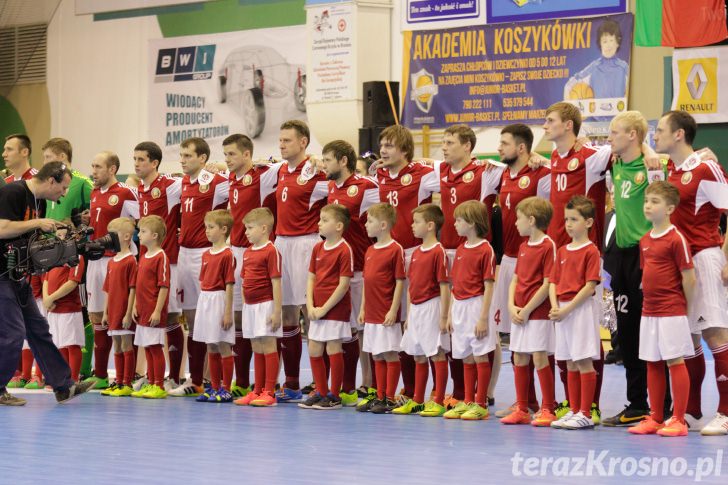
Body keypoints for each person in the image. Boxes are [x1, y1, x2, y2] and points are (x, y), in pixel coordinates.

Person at [655, 110, 728, 435]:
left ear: (679, 134)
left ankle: (726, 412)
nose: (654, 135)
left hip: (705, 258)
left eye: (659, 130)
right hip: (678, 264)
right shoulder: (671, 169)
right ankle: (692, 409)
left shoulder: (706, 167)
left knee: (715, 334)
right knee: (688, 338)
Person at [0, 161, 94, 406]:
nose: (63, 194)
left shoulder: (39, 201)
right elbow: (2, 228)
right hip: (1, 276)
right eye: (62, 188)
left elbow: (27, 237)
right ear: (51, 180)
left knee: (39, 329)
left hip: (18, 274)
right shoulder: (14, 192)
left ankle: (63, 386)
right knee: (13, 333)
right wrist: (37, 224)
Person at [601, 111, 668, 427]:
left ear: (632, 136)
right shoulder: (614, 165)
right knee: (626, 335)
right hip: (622, 259)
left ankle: (665, 406)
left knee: (652, 334)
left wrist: (651, 150)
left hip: (648, 259)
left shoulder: (652, 167)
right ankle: (637, 403)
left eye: (614, 132)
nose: (609, 137)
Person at [372, 125, 440, 405]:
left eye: (389, 145)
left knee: (421, 325)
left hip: (416, 255)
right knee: (398, 324)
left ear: (405, 150)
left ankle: (434, 391)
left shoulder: (423, 174)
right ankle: (408, 388)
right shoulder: (377, 174)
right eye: (382, 145)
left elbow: (452, 170)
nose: (383, 150)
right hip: (389, 257)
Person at [492, 124, 550, 419]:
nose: (499, 148)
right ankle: (524, 402)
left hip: (534, 259)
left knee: (536, 340)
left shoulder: (541, 174)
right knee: (515, 338)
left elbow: (564, 179)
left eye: (504, 143)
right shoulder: (501, 173)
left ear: (522, 148)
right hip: (510, 261)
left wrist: (546, 161)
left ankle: (546, 405)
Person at [628, 181, 695, 437]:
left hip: (672, 310)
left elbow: (689, 277)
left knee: (674, 361)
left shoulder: (676, 238)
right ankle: (656, 416)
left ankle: (678, 419)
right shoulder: (644, 240)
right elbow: (647, 276)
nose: (648, 205)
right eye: (647, 200)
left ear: (669, 208)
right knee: (652, 362)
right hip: (649, 311)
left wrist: (684, 309)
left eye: (654, 202)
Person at [169, 138, 229, 398]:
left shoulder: (216, 183)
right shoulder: (179, 183)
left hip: (207, 253)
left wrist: (223, 168)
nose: (182, 160)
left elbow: (244, 182)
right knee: (191, 319)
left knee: (209, 317)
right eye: (181, 155)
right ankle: (196, 380)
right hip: (184, 254)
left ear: (203, 158)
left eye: (188, 156)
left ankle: (212, 379)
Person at [273, 120, 329, 402]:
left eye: (287, 140)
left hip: (307, 242)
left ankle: (323, 384)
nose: (282, 145)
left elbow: (343, 185)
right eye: (280, 140)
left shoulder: (317, 172)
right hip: (282, 242)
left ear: (303, 142)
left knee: (313, 312)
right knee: (286, 314)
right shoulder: (280, 169)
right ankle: (292, 382)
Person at [322, 140, 379, 405]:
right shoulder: (331, 187)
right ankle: (349, 385)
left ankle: (371, 385)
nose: (324, 165)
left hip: (362, 268)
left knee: (366, 328)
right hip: (342, 271)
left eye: (328, 160)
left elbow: (385, 218)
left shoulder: (367, 187)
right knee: (349, 331)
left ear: (343, 161)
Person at [223, 133, 279, 398]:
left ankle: (272, 386)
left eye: (232, 154)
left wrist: (269, 159)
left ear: (247, 154)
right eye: (225, 155)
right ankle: (246, 383)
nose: (227, 160)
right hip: (238, 251)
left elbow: (284, 166)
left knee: (265, 335)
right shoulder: (229, 179)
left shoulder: (262, 176)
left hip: (257, 251)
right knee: (242, 324)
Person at [84, 151, 139, 390]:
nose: (93, 171)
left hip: (116, 261)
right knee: (97, 316)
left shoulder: (126, 193)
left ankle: (129, 375)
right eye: (92, 166)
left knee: (120, 317)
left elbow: (144, 222)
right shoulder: (95, 192)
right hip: (95, 261)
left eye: (98, 166)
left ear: (112, 169)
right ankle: (101, 374)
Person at [501, 197, 557, 426]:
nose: (515, 223)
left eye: (519, 219)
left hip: (538, 313)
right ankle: (522, 407)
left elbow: (547, 283)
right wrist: (511, 306)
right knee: (519, 356)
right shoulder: (523, 247)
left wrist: (526, 309)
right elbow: (515, 279)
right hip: (520, 313)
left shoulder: (547, 245)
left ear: (532, 220)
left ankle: (548, 408)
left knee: (539, 356)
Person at [134, 141, 185, 390]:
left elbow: (196, 182)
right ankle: (152, 375)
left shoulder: (170, 186)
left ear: (154, 163)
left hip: (170, 262)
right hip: (147, 262)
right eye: (134, 159)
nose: (136, 163)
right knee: (148, 319)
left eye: (141, 159)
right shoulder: (140, 190)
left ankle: (174, 376)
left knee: (171, 316)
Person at [548, 196, 602, 430]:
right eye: (566, 219)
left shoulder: (591, 251)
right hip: (562, 311)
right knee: (569, 361)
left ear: (589, 222)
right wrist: (555, 306)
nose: (568, 224)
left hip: (579, 311)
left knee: (583, 360)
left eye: (574, 219)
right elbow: (553, 282)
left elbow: (590, 286)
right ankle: (573, 409)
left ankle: (586, 412)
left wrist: (567, 308)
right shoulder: (561, 250)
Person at [395, 204, 451, 417]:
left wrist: (444, 316)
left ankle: (437, 400)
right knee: (418, 355)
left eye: (416, 222)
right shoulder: (416, 253)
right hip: (416, 310)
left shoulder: (438, 251)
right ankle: (417, 400)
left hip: (432, 306)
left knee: (436, 354)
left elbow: (445, 286)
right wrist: (409, 314)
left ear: (430, 225)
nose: (412, 226)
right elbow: (411, 286)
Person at [443, 200, 496, 421]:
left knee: (480, 355)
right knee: (465, 356)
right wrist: (450, 313)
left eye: (459, 220)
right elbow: (455, 284)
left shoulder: (486, 249)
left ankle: (481, 403)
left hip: (476, 305)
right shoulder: (462, 249)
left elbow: (489, 285)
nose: (454, 224)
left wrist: (483, 318)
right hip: (461, 306)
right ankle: (467, 400)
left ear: (472, 223)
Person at [299, 204, 354, 410]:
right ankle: (321, 392)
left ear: (338, 226)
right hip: (317, 308)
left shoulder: (344, 249)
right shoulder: (317, 248)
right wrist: (311, 305)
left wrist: (325, 308)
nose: (319, 223)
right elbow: (311, 278)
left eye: (324, 220)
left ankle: (334, 395)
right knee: (314, 348)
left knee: (333, 347)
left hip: (335, 309)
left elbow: (343, 284)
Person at [357, 203, 406, 414]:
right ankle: (379, 395)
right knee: (376, 354)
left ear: (383, 225)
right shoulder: (369, 250)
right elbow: (367, 282)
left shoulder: (396, 249)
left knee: (389, 354)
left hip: (386, 311)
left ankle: (389, 397)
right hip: (371, 312)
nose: (366, 225)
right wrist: (362, 308)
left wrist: (394, 309)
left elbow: (400, 282)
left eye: (370, 221)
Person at [235, 208, 282, 407]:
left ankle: (269, 392)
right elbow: (244, 280)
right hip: (250, 307)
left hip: (266, 304)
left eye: (250, 228)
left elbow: (276, 282)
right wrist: (246, 305)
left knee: (268, 345)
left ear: (264, 229)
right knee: (256, 346)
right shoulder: (247, 252)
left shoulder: (271, 250)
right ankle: (257, 390)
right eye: (246, 228)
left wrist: (276, 311)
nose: (246, 232)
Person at [2, 134, 38, 389]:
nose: (4, 153)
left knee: (35, 328)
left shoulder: (36, 183)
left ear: (24, 152)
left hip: (24, 264)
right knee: (22, 329)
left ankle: (59, 382)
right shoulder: (6, 183)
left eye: (9, 149)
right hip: (7, 267)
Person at [192, 210, 236, 404]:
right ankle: (214, 386)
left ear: (224, 229)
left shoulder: (227, 254)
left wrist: (227, 312)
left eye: (211, 227)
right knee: (210, 344)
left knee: (223, 344)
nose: (207, 231)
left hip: (219, 299)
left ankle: (226, 388)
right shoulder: (206, 254)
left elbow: (229, 285)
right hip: (205, 298)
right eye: (206, 227)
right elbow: (204, 281)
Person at [131, 215, 170, 399]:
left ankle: (159, 385)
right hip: (143, 310)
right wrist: (135, 306)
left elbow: (163, 286)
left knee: (155, 347)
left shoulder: (160, 256)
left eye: (143, 232)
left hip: (154, 311)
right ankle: (151, 381)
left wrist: (157, 310)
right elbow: (140, 285)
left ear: (154, 235)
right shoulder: (144, 256)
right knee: (147, 347)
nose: (139, 234)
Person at [42, 223, 86, 382]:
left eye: (64, 235)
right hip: (54, 310)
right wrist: (47, 299)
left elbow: (72, 282)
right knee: (59, 344)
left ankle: (73, 379)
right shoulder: (52, 257)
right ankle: (63, 379)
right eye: (57, 235)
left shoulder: (76, 257)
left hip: (69, 309)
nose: (60, 239)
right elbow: (46, 280)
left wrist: (51, 298)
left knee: (72, 344)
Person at [100, 217, 138, 397]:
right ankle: (119, 380)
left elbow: (133, 289)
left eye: (112, 235)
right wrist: (106, 312)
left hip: (124, 310)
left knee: (125, 343)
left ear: (126, 236)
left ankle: (127, 382)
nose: (109, 238)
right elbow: (107, 290)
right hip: (113, 310)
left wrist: (128, 313)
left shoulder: (131, 261)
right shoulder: (112, 261)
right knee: (116, 344)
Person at [564, 19, 628, 101]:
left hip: (620, 113)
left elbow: (634, 89)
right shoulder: (594, 67)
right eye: (605, 41)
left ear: (617, 43)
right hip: (597, 113)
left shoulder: (624, 67)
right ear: (600, 44)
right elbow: (569, 85)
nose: (608, 45)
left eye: (611, 40)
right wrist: (567, 107)